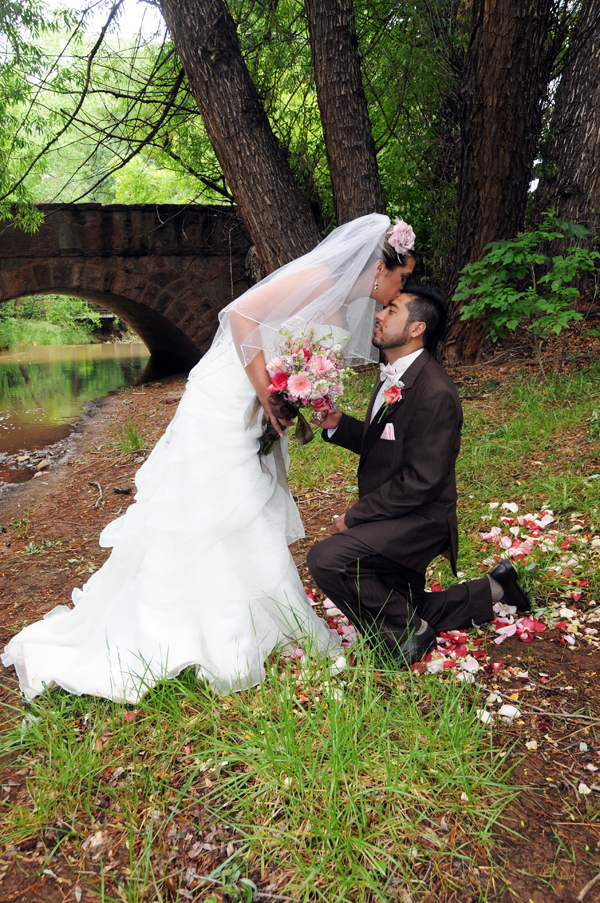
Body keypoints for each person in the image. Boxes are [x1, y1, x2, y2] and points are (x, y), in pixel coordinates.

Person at [2, 213, 416, 703]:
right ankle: (185, 631)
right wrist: (267, 394)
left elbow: (300, 355)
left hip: (260, 401)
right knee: (209, 504)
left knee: (245, 503)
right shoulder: (321, 277)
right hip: (228, 397)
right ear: (378, 267)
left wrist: (300, 402)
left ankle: (249, 628)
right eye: (401, 277)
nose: (398, 290)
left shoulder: (346, 300)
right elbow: (241, 316)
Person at [307, 277, 531, 665]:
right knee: (411, 604)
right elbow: (388, 444)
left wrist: (356, 517)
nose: (378, 315)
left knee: (328, 558)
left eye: (391, 310)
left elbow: (422, 481)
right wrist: (339, 424)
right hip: (395, 512)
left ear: (416, 329)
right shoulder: (393, 374)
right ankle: (495, 589)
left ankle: (406, 631)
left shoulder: (435, 392)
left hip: (421, 518)